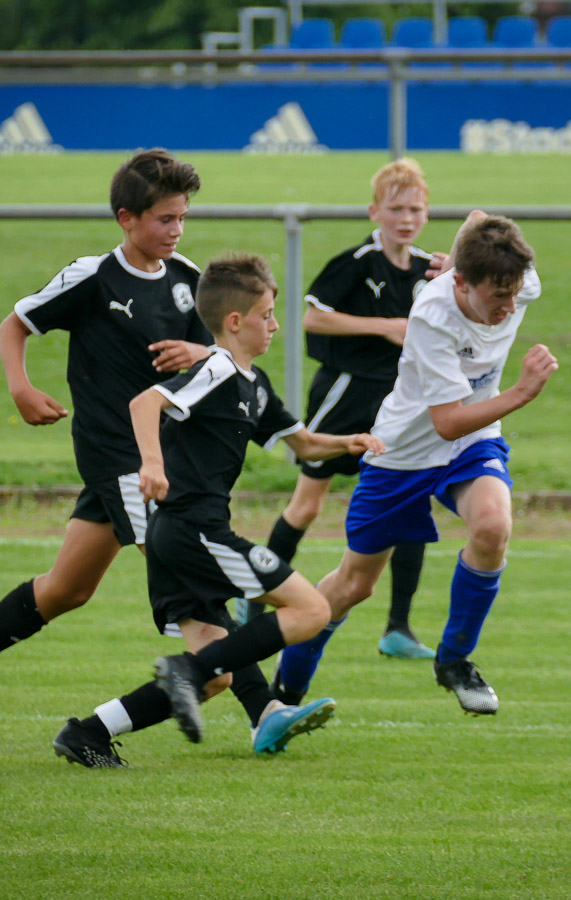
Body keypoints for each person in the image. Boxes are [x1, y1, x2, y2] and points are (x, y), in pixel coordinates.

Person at [0, 149, 215, 743]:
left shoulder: (187, 281)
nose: (176, 230)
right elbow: (15, 323)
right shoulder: (93, 276)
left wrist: (198, 354)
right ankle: (266, 708)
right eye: (164, 220)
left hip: (158, 459)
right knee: (195, 584)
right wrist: (21, 388)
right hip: (118, 459)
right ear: (127, 218)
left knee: (66, 589)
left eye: (182, 218)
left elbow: (216, 361)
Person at [52, 253, 386, 767]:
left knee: (218, 676)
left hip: (176, 537)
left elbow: (303, 445)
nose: (275, 325)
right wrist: (151, 463)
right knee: (313, 610)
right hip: (193, 531)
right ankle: (185, 671)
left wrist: (349, 443)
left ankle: (88, 734)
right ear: (236, 322)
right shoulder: (217, 368)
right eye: (268, 314)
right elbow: (145, 404)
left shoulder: (254, 384)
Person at [272, 212, 557, 716]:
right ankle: (283, 695)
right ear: (464, 285)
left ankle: (455, 661)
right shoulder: (433, 317)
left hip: (471, 444)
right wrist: (521, 392)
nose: (510, 308)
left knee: (492, 527)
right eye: (498, 298)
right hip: (403, 452)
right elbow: (447, 421)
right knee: (354, 586)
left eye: (515, 295)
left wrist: (459, 255)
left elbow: (477, 220)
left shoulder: (515, 278)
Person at [252, 158, 442, 660]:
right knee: (308, 505)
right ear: (374, 211)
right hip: (345, 394)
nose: (406, 218)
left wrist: (456, 279)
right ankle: (254, 599)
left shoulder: (431, 270)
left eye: (416, 209)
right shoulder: (357, 261)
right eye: (397, 208)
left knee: (409, 502)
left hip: (400, 404)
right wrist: (382, 326)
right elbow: (315, 320)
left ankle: (398, 627)